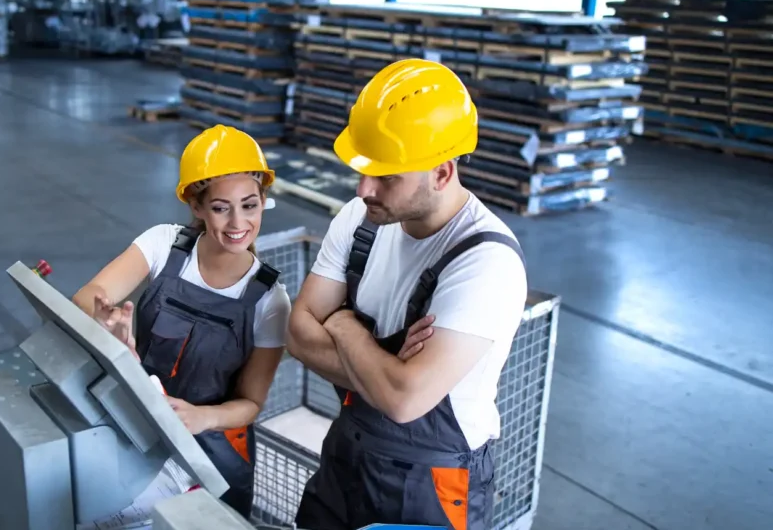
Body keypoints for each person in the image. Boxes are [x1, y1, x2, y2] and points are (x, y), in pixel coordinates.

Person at [286, 58, 529, 530]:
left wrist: (341, 326)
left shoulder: (485, 262)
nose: (363, 189)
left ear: (442, 173)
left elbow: (403, 401)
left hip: (431, 486)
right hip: (346, 454)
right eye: (363, 171)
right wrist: (387, 371)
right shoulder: (361, 221)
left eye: (387, 177)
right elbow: (297, 335)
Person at [71, 124, 291, 518]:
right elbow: (88, 297)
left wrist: (202, 417)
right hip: (139, 422)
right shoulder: (163, 246)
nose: (238, 222)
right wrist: (106, 326)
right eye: (221, 207)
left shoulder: (270, 300)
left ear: (262, 201)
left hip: (213, 448)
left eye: (250, 204)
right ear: (196, 205)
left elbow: (251, 403)